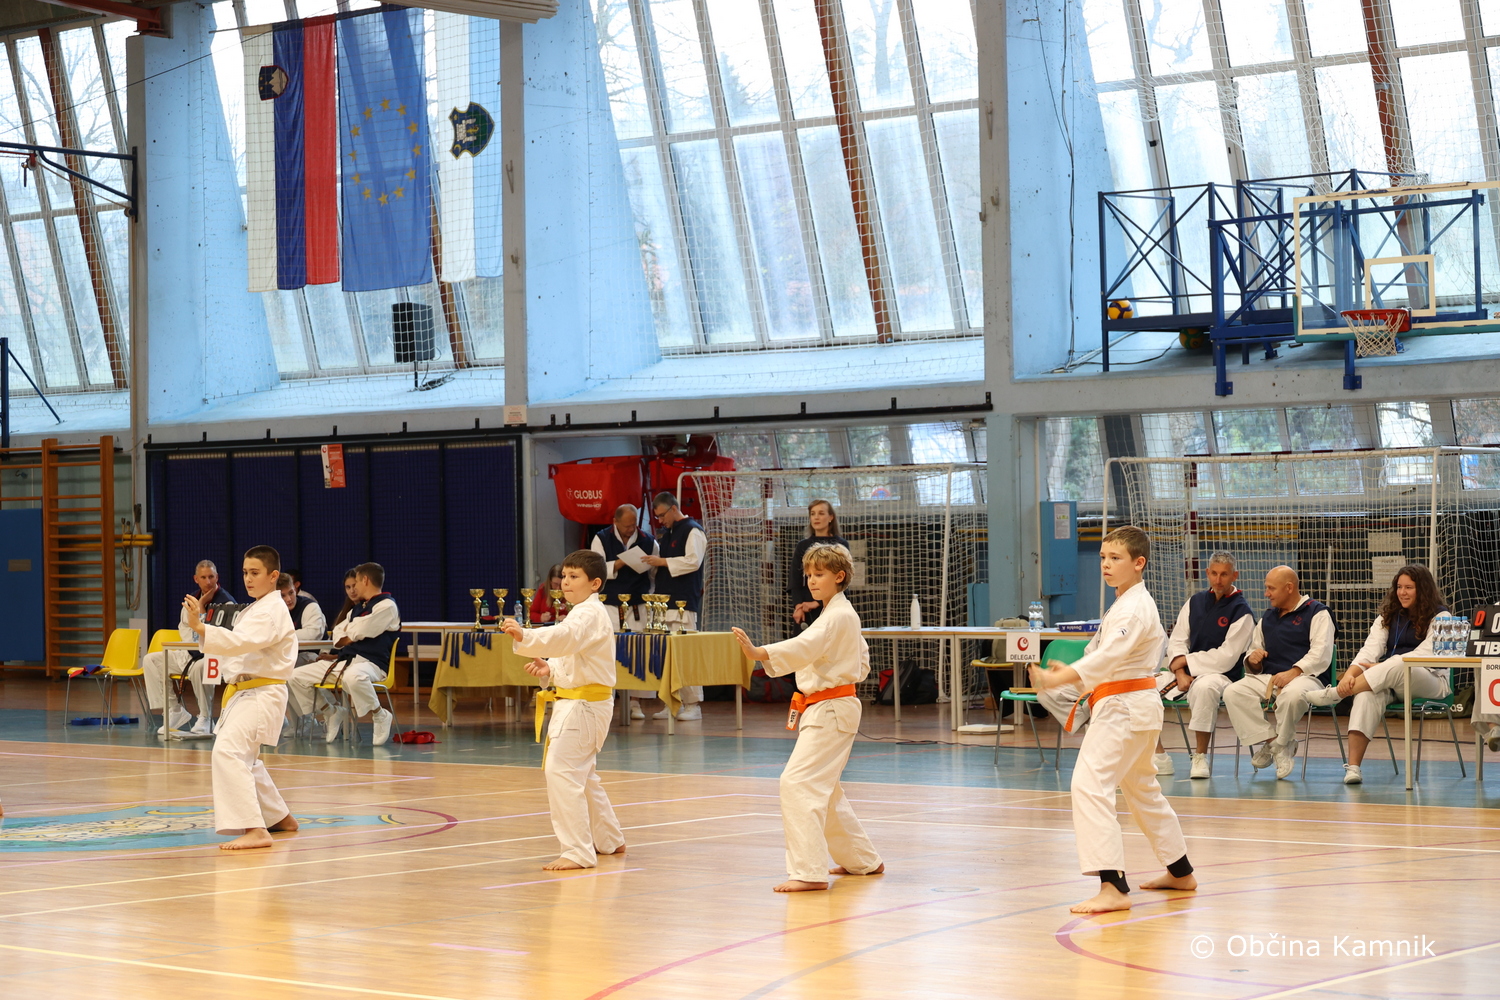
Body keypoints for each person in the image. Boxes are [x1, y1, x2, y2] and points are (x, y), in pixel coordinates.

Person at [1027, 526, 1196, 914]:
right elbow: (1097, 652)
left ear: (1139, 563)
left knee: (1089, 785)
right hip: (1128, 705)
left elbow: (1108, 658)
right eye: (1103, 557)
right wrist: (1069, 676)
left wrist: (1060, 677)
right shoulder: (1123, 603)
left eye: (1115, 558)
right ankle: (1180, 871)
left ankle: (1113, 886)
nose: (1105, 564)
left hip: (1125, 708)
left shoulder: (1135, 607)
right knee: (1141, 790)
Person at [732, 543, 884, 893]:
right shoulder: (837, 614)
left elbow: (805, 646)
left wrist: (760, 653)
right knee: (825, 790)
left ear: (839, 576)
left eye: (820, 574)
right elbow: (859, 661)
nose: (812, 581)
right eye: (809, 575)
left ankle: (808, 872)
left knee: (798, 783)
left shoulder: (838, 616)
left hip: (831, 708)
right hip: (828, 706)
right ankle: (863, 860)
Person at [500, 549, 626, 871]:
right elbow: (576, 656)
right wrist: (551, 668)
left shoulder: (587, 615)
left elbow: (565, 638)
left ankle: (577, 851)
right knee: (583, 775)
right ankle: (609, 839)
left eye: (574, 577)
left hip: (584, 706)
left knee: (562, 770)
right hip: (583, 702)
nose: (565, 583)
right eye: (565, 577)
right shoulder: (585, 612)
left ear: (595, 583)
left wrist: (526, 635)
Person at [181, 544, 299, 851]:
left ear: (274, 576)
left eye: (256, 573)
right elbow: (238, 647)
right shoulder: (257, 607)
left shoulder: (271, 611)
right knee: (247, 758)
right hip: (248, 693)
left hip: (260, 694)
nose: (248, 578)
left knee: (228, 754)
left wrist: (200, 627)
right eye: (245, 572)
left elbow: (239, 642)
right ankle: (280, 817)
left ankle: (256, 829)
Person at [1306, 564, 1447, 784]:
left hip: (1430, 680)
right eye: (1399, 587)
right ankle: (1353, 768)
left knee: (1401, 662)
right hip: (1390, 680)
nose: (1402, 592)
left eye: (1409, 587)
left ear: (1423, 589)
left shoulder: (1442, 616)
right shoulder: (1388, 616)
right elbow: (1369, 651)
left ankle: (1335, 695)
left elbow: (1425, 654)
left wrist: (1385, 666)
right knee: (1365, 694)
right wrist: (1349, 676)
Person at [1221, 566, 1335, 780]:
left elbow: (1322, 653)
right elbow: (1254, 649)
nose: (1266, 593)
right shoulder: (1268, 617)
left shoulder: (1318, 612)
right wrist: (1253, 659)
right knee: (1233, 692)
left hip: (1307, 679)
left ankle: (1281, 743)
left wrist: (1294, 672)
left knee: (1292, 695)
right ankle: (1275, 743)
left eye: (1271, 588)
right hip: (1270, 678)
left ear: (1289, 588)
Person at [1160, 552, 1255, 779]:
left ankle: (1200, 757)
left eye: (1224, 574)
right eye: (1214, 573)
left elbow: (1226, 657)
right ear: (1207, 573)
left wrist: (1186, 662)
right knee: (1142, 686)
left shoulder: (1242, 612)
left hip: (1222, 676)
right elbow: (1178, 640)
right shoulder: (1194, 602)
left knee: (1204, 688)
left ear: (1235, 576)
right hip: (1184, 674)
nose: (1218, 579)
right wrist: (1181, 671)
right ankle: (1157, 756)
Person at [287, 562, 400, 746]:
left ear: (365, 580)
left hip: (372, 664)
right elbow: (338, 634)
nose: (354, 588)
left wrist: (352, 633)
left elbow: (364, 630)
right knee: (293, 676)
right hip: (345, 661)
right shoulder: (358, 608)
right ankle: (330, 711)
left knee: (353, 677)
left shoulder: (387, 605)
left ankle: (379, 714)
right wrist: (351, 633)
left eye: (356, 583)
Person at [144, 560, 238, 736]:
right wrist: (199, 636)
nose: (208, 581)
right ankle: (175, 710)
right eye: (204, 577)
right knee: (152, 660)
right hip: (190, 654)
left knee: (199, 668)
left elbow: (219, 637)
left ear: (217, 577)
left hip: (218, 658)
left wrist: (201, 612)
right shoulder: (189, 602)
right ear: (196, 579)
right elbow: (186, 633)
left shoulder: (228, 604)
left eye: (211, 577)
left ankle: (206, 716)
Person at [643, 492, 707, 721]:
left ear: (672, 508)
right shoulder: (666, 533)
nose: (660, 520)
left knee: (685, 653)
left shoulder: (693, 530)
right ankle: (672, 702)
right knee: (666, 655)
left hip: (683, 601)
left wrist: (662, 562)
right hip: (663, 600)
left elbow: (693, 560)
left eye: (662, 515)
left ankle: (693, 705)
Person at [590, 503, 658, 631]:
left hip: (639, 604)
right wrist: (620, 562)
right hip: (610, 604)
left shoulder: (649, 541)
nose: (631, 529)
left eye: (634, 525)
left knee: (638, 646)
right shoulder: (601, 538)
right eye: (627, 526)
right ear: (615, 522)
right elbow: (596, 570)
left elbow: (654, 573)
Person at [789, 499, 847, 630]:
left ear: (830, 517)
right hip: (805, 611)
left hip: (830, 607)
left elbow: (843, 582)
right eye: (813, 513)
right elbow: (795, 579)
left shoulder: (840, 545)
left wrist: (817, 603)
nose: (816, 517)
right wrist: (798, 606)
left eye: (821, 513)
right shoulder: (802, 546)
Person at [277, 572, 327, 667]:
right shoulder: (273, 609)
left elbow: (312, 634)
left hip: (312, 656)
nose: (289, 599)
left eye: (291, 593)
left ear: (295, 590)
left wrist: (280, 636)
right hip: (283, 655)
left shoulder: (310, 606)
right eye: (283, 595)